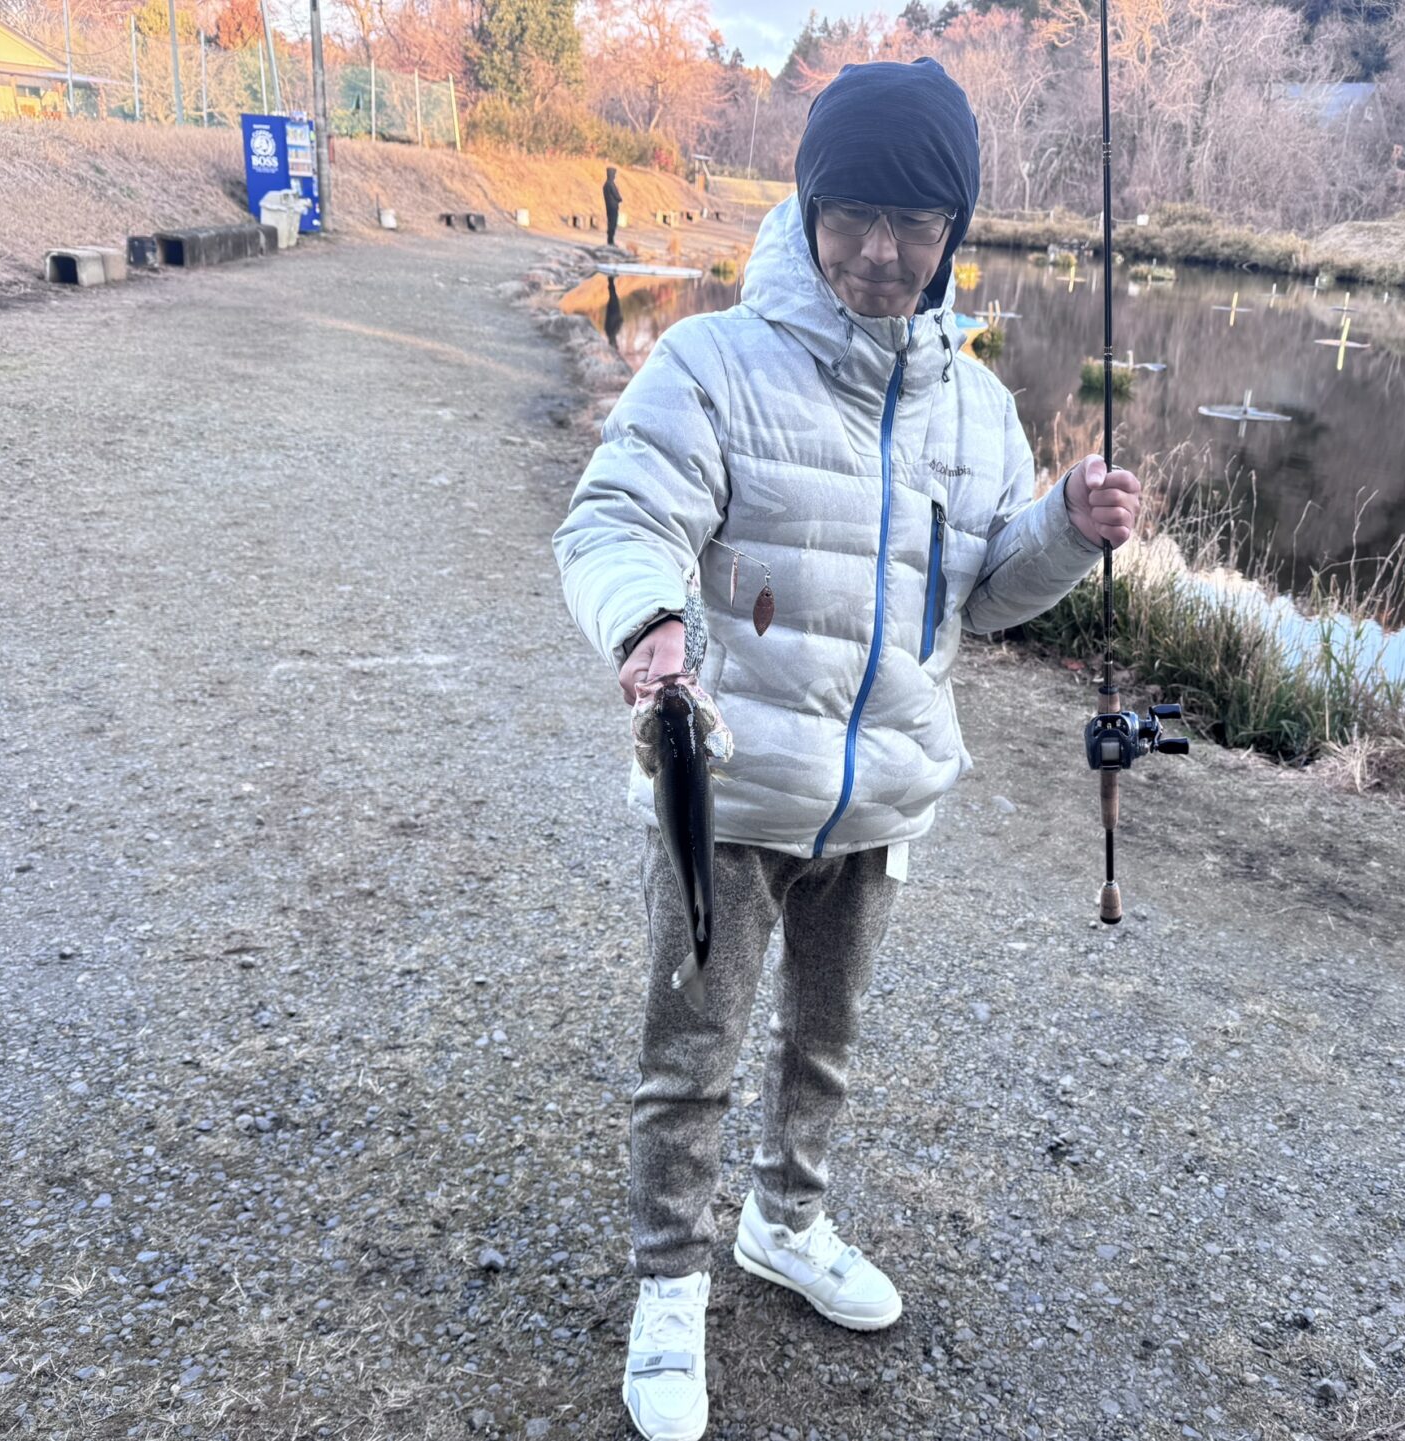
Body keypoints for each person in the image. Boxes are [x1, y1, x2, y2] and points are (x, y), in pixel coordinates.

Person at [552, 58, 1141, 1441]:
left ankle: (785, 1220)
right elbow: (617, 516)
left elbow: (983, 597)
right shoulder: (713, 362)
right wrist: (646, 621)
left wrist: (1064, 527)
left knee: (826, 1040)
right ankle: (669, 1284)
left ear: (954, 230)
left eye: (916, 221)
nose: (882, 250)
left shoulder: (976, 407)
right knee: (690, 1046)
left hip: (880, 797)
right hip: (728, 794)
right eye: (855, 214)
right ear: (811, 207)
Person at [604, 164, 623, 248]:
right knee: (612, 224)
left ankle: (610, 240)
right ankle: (610, 241)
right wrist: (619, 199)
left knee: (611, 223)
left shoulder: (606, 184)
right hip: (613, 207)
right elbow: (617, 196)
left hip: (609, 207)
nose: (614, 176)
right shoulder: (610, 184)